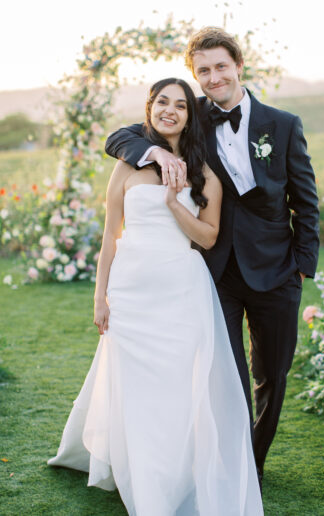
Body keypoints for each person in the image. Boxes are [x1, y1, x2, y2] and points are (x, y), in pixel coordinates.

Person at [105, 27, 320, 487]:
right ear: (195, 76)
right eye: (203, 70)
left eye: (221, 66)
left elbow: (305, 198)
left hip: (278, 268)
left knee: (273, 373)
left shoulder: (283, 124)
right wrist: (154, 155)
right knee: (225, 373)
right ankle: (230, 460)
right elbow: (121, 137)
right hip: (213, 268)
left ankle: (254, 460)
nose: (214, 76)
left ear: (238, 65)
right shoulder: (190, 115)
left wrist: (304, 263)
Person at [48, 78, 264, 516]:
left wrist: (174, 204)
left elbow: (207, 237)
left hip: (182, 289)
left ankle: (177, 471)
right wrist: (100, 296)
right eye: (162, 102)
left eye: (180, 105)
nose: (170, 111)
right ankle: (141, 472)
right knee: (136, 386)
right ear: (149, 107)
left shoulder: (203, 175)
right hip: (131, 291)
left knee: (177, 384)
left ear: (190, 116)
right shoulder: (127, 163)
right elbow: (111, 236)